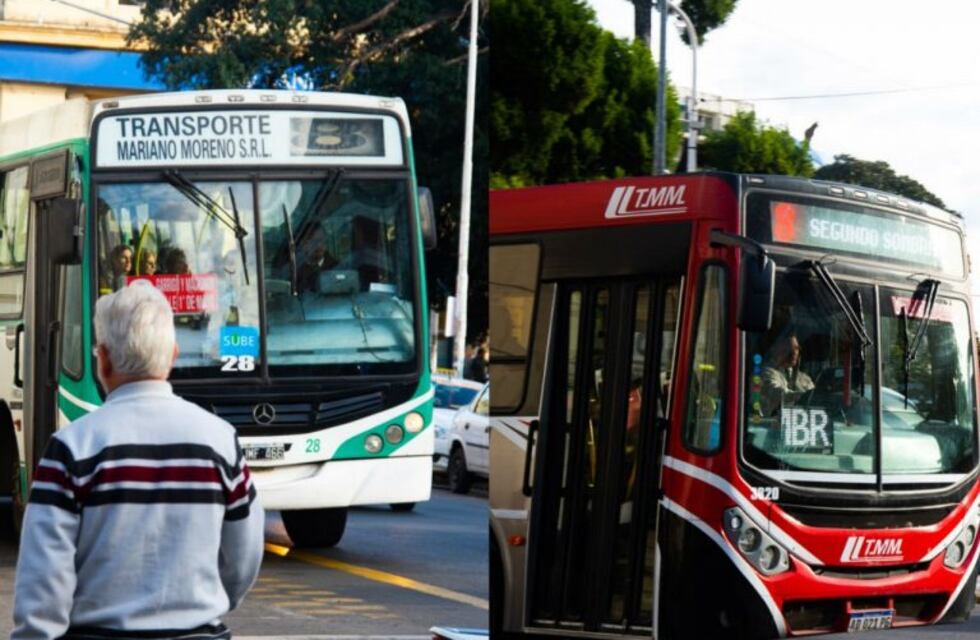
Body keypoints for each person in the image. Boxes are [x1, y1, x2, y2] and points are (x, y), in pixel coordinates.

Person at [12, 281, 264, 640]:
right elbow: (243, 559)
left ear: (103, 359)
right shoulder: (221, 442)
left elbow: (43, 577)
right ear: (173, 355)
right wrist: (200, 605)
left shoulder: (72, 447)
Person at [760, 333, 815, 416]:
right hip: (770, 426)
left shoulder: (805, 379)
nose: (794, 352)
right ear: (775, 349)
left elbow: (815, 400)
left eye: (796, 348)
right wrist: (804, 395)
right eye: (788, 348)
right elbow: (776, 393)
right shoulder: (765, 374)